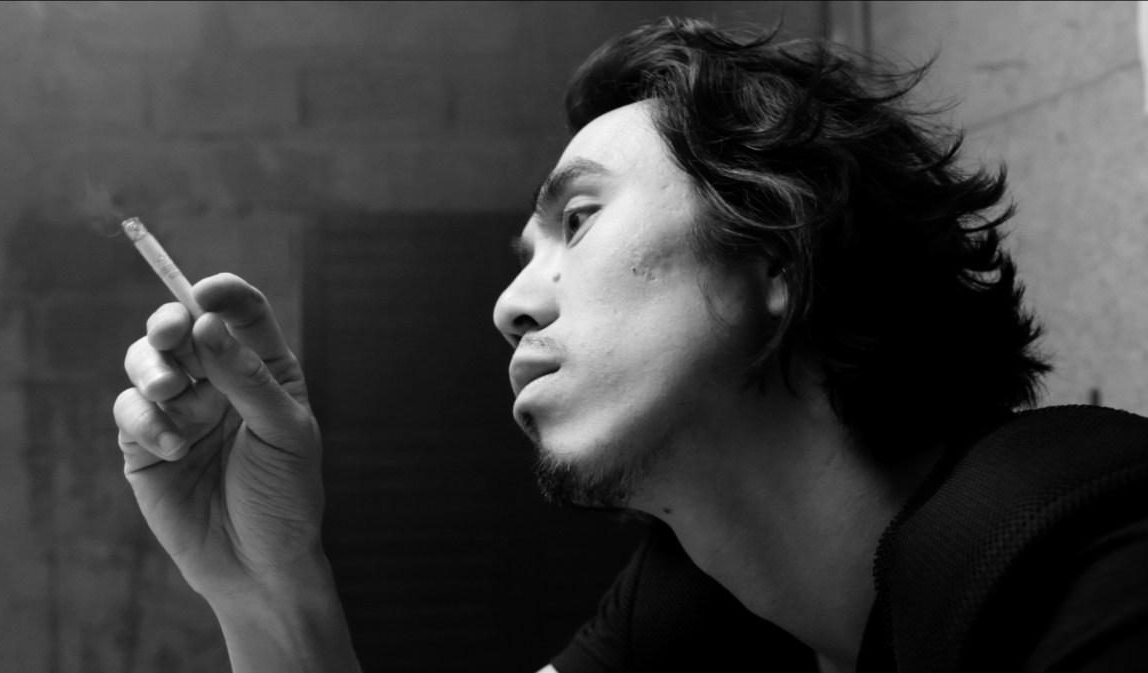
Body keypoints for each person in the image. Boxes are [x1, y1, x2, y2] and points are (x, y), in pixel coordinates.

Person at [113, 16, 1148, 673]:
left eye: (579, 219)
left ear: (777, 255)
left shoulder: (1088, 563)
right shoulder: (694, 608)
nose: (509, 305)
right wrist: (265, 581)